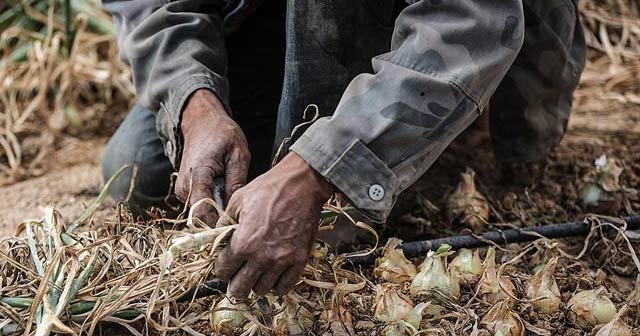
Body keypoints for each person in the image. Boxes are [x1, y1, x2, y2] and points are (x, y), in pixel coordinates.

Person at [101, 0, 585, 298]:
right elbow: (150, 5)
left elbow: (473, 19)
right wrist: (194, 103)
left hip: (425, 19)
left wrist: (314, 172)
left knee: (341, 210)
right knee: (137, 172)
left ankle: (460, 119)